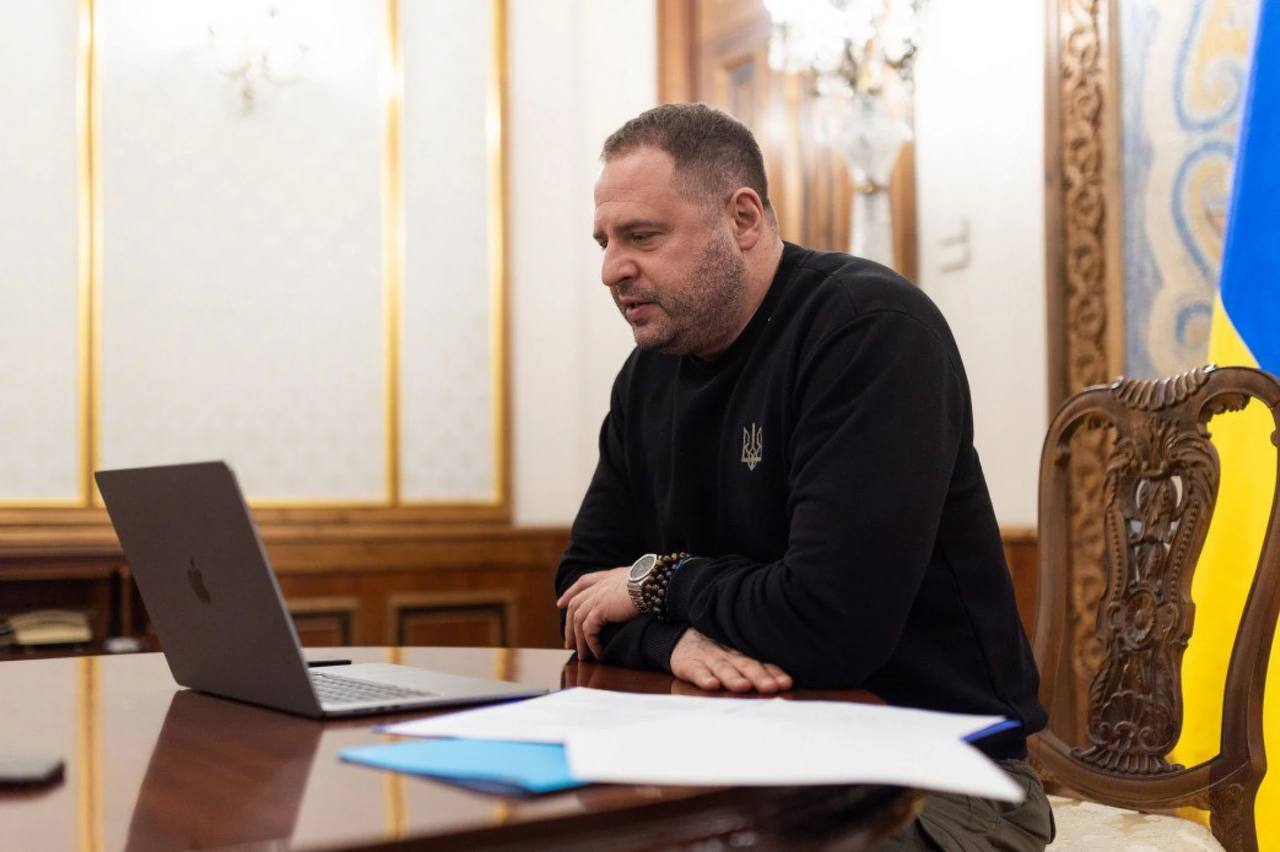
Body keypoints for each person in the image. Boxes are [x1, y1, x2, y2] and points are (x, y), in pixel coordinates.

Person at [554, 102, 1052, 850]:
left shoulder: (869, 331)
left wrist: (656, 583)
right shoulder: (645, 376)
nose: (611, 269)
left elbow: (827, 628)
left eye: (642, 236)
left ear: (743, 219)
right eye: (604, 242)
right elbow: (580, 590)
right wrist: (669, 642)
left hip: (934, 778)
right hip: (730, 760)